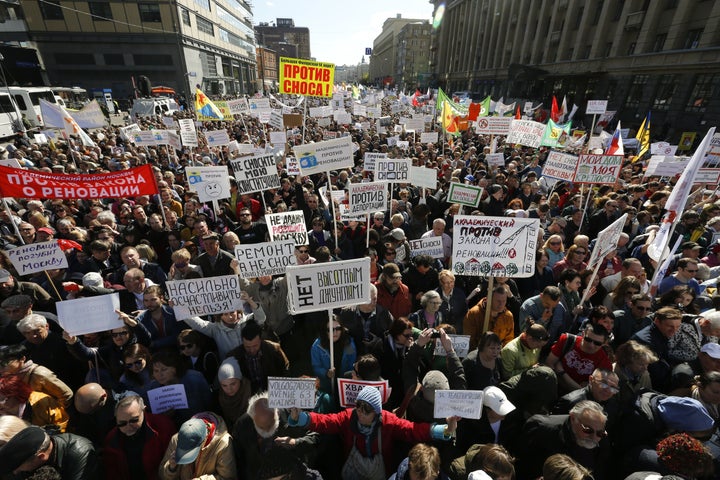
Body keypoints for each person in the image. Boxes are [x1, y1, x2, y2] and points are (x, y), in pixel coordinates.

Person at [288, 385, 460, 479]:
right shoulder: (348, 417)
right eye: (358, 406)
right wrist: (300, 417)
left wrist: (445, 429)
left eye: (366, 409)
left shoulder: (388, 421)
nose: (360, 412)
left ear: (377, 412)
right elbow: (325, 422)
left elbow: (413, 430)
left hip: (381, 473)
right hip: (353, 471)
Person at [233, 391, 319, 479]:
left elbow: (315, 438)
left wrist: (295, 442)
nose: (267, 430)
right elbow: (239, 460)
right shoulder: (242, 425)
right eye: (261, 427)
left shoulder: (291, 415)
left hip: (290, 473)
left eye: (270, 425)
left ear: (277, 413)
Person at [515, 400, 611, 480]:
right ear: (573, 418)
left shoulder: (602, 438)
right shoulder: (541, 430)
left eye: (599, 433)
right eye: (588, 430)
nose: (594, 437)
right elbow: (522, 467)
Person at [102, 392, 176, 480]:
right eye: (122, 423)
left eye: (134, 420)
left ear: (143, 411)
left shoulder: (163, 427)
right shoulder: (111, 440)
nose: (128, 427)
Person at [182, 291, 266, 359]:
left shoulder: (247, 321)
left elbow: (261, 318)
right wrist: (179, 308)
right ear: (220, 316)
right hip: (230, 368)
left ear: (238, 311)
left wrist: (249, 301)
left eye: (232, 312)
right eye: (225, 314)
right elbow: (196, 323)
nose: (230, 317)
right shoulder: (215, 329)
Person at [0, 425, 98, 479]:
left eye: (19, 469)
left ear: (41, 457)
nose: (15, 472)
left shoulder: (80, 451)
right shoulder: (32, 458)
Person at [159, 412, 237, 479]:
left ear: (204, 440)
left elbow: (228, 477)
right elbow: (162, 476)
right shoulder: (177, 439)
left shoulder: (223, 443)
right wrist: (171, 467)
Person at [147, 350, 212, 427]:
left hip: (202, 424)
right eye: (156, 371)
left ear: (174, 368)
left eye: (164, 369)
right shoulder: (153, 388)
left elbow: (209, 403)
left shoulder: (194, 378)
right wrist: (165, 417)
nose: (160, 374)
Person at [545, 324, 613, 393]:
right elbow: (549, 363)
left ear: (604, 343)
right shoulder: (567, 340)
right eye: (588, 339)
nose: (591, 345)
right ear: (583, 334)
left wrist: (562, 372)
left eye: (597, 343)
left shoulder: (604, 363)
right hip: (552, 386)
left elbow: (589, 392)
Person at [0, 344, 74, 408]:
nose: (1, 367)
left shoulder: (40, 374)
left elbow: (66, 395)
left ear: (22, 359)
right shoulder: (9, 374)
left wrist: (52, 413)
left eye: (5, 363)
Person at [227, 319, 290, 394]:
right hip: (249, 393)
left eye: (255, 346)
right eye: (247, 347)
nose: (252, 350)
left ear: (261, 339)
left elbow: (285, 368)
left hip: (272, 390)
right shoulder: (234, 356)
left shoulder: (274, 349)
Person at [0, 374, 69, 432]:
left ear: (16, 394)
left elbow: (61, 425)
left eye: (1, 399)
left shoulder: (42, 402)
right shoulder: (3, 413)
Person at [311, 315, 357, 395]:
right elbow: (316, 366)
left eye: (338, 329)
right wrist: (326, 373)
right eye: (330, 330)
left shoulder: (348, 343)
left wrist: (347, 380)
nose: (335, 332)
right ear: (325, 331)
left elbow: (351, 365)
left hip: (344, 385)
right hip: (325, 386)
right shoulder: (317, 346)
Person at [464, 286, 514, 350]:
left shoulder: (508, 316)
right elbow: (469, 340)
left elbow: (509, 340)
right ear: (489, 299)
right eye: (498, 301)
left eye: (504, 301)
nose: (501, 304)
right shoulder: (474, 314)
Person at [216, 357, 251, 428]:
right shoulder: (218, 397)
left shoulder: (252, 392)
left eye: (233, 384)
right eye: (224, 385)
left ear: (240, 380)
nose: (229, 389)